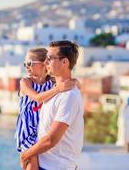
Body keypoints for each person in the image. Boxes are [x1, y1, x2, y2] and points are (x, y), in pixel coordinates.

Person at [20, 40, 84, 170]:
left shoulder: (69, 96)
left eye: (49, 58)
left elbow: (51, 140)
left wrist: (25, 155)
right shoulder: (55, 90)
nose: (45, 62)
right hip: (44, 163)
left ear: (65, 62)